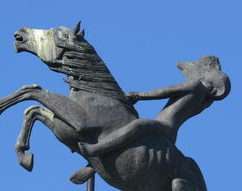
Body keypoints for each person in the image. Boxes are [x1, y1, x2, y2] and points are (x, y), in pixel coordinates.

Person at [70, 56, 230, 183]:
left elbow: (166, 91)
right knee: (129, 140)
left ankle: (96, 150)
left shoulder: (196, 87)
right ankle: (92, 167)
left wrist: (140, 95)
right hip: (170, 132)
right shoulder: (204, 101)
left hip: (163, 127)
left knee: (138, 125)